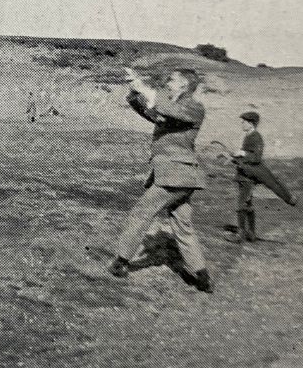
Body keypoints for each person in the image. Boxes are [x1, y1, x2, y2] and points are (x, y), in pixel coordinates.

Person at [107, 68, 213, 293]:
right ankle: (201, 276)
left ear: (185, 85)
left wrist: (144, 86)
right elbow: (151, 112)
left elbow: (163, 105)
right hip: (182, 178)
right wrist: (135, 92)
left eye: (172, 80)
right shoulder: (174, 112)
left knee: (141, 213)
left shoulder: (194, 107)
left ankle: (121, 263)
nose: (168, 82)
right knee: (182, 225)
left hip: (174, 176)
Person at [226, 111, 298, 243]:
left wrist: (242, 153)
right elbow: (247, 157)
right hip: (245, 174)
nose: (241, 124)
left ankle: (240, 235)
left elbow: (256, 158)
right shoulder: (249, 136)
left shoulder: (256, 137)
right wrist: (232, 157)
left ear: (251, 123)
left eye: (244, 122)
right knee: (247, 203)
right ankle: (251, 234)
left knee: (242, 204)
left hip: (248, 176)